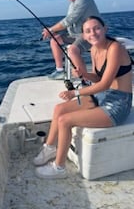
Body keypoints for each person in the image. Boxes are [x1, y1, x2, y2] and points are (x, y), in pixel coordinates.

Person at [34, 16, 133, 179]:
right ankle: (50, 147)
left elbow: (105, 84)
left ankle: (59, 168)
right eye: (88, 31)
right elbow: (98, 78)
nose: (93, 33)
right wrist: (85, 74)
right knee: (59, 109)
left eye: (96, 28)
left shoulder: (115, 48)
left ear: (105, 29)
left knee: (65, 121)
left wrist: (76, 93)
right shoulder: (94, 49)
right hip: (102, 96)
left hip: (117, 104)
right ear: (84, 36)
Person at [42, 0, 100, 80]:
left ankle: (85, 79)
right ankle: (60, 71)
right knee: (55, 40)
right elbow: (70, 24)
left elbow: (70, 19)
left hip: (90, 34)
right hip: (75, 35)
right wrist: (55, 32)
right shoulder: (72, 4)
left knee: (72, 50)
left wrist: (51, 29)